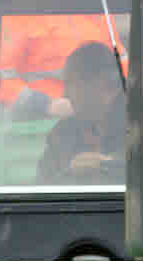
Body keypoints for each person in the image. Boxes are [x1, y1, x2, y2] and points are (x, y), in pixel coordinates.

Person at [37, 41, 127, 183]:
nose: (65, 95)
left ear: (100, 83)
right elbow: (42, 186)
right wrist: (70, 173)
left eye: (71, 83)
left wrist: (110, 165)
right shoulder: (62, 134)